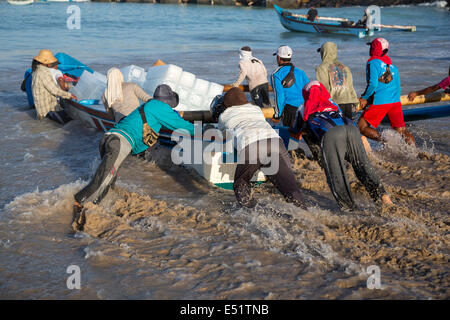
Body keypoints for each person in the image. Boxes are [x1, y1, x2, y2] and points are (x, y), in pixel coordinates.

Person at [72, 84, 195, 231]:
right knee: (103, 180)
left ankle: (95, 213)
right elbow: (183, 127)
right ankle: (77, 209)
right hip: (119, 143)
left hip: (109, 139)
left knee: (108, 182)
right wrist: (208, 130)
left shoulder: (149, 105)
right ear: (167, 101)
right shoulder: (159, 107)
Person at [292, 81, 393, 211]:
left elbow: (294, 132)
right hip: (351, 130)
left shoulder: (303, 107)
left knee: (337, 174)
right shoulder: (332, 103)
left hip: (331, 135)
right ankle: (383, 197)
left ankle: (349, 209)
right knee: (363, 166)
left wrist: (301, 132)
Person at [212, 87, 307, 210]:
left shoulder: (224, 116)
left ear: (227, 105)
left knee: (241, 182)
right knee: (290, 188)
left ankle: (249, 212)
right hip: (275, 142)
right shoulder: (256, 109)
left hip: (252, 144)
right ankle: (305, 214)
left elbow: (223, 137)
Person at [358, 38, 415, 146]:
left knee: (362, 127)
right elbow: (398, 86)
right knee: (402, 131)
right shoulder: (393, 66)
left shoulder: (372, 62)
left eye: (371, 47)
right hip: (395, 102)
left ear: (374, 49)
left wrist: (365, 97)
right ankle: (415, 152)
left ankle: (388, 141)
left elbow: (373, 84)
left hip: (380, 101)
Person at [31, 49, 77, 124]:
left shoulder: (36, 70)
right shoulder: (44, 72)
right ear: (46, 62)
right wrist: (70, 95)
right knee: (71, 124)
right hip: (48, 110)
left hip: (41, 109)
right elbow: (54, 90)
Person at [316, 42, 359, 120]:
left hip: (334, 103)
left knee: (336, 129)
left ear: (324, 53)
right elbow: (350, 87)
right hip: (349, 102)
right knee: (348, 128)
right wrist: (356, 103)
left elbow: (324, 88)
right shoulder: (345, 67)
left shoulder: (321, 68)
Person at [271, 45, 310, 127]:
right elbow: (309, 90)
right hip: (304, 109)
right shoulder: (301, 72)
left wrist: (277, 115)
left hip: (290, 110)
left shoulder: (276, 74)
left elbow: (279, 96)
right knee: (300, 136)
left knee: (288, 136)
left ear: (278, 58)